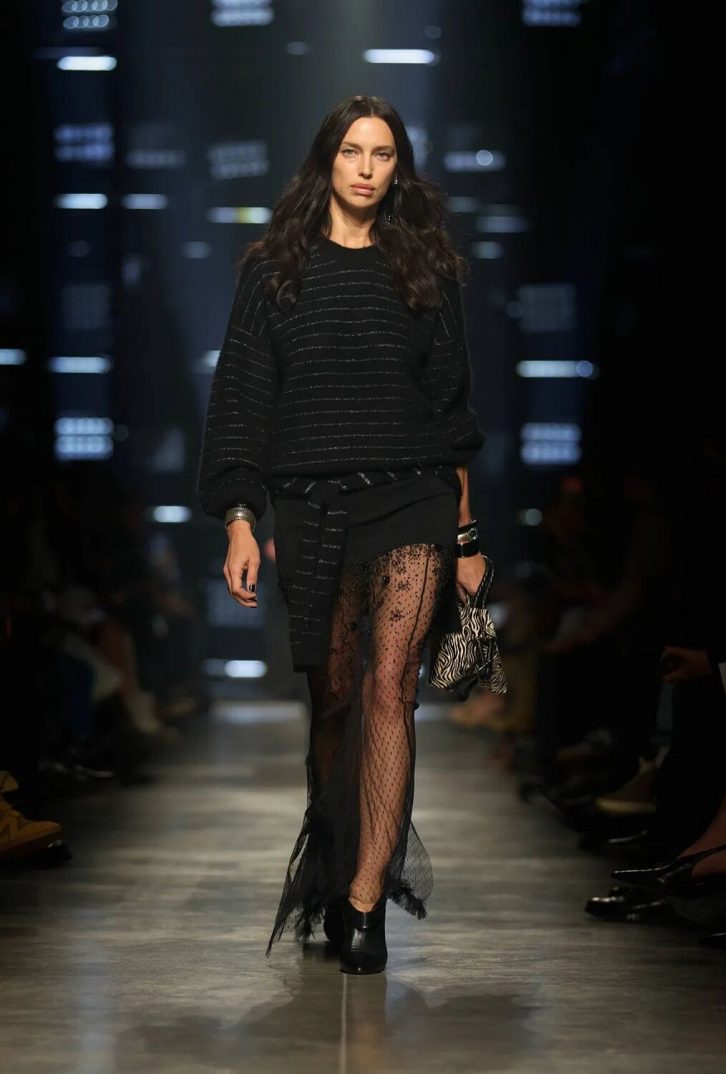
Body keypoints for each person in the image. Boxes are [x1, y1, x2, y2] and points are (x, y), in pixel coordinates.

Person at [196, 95, 487, 974]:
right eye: (353, 151)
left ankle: (366, 901)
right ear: (327, 160)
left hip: (413, 495)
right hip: (311, 506)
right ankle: (334, 860)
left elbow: (452, 414)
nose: (366, 168)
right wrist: (240, 518)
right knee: (331, 698)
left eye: (383, 154)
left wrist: (467, 538)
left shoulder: (426, 270)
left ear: (400, 168)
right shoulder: (274, 272)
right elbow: (241, 402)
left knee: (390, 685)